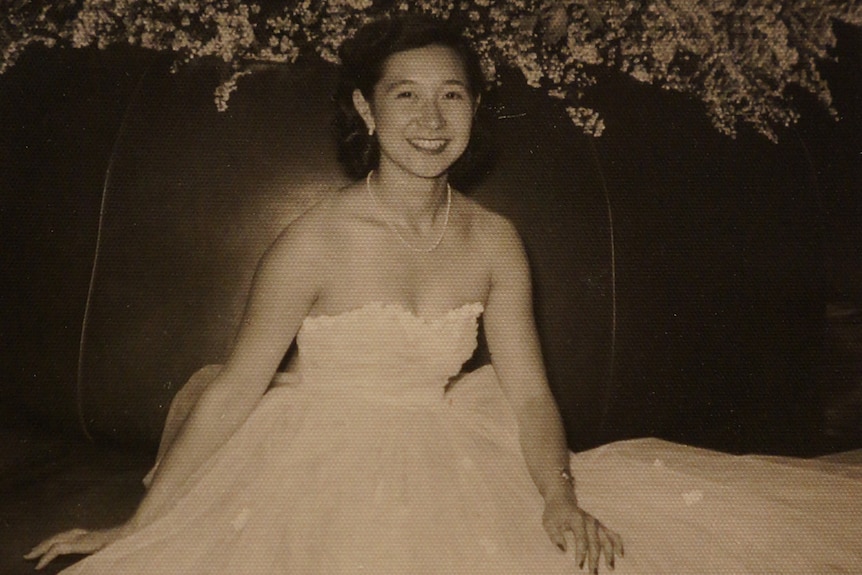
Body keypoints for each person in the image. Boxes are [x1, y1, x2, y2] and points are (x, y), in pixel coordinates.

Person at [25, 13, 862, 575]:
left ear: (473, 111)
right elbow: (237, 386)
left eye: (452, 95)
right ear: (366, 108)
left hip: (465, 447)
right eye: (406, 95)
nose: (432, 119)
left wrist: (560, 494)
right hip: (310, 459)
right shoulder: (312, 240)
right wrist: (139, 528)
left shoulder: (495, 238)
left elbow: (531, 394)